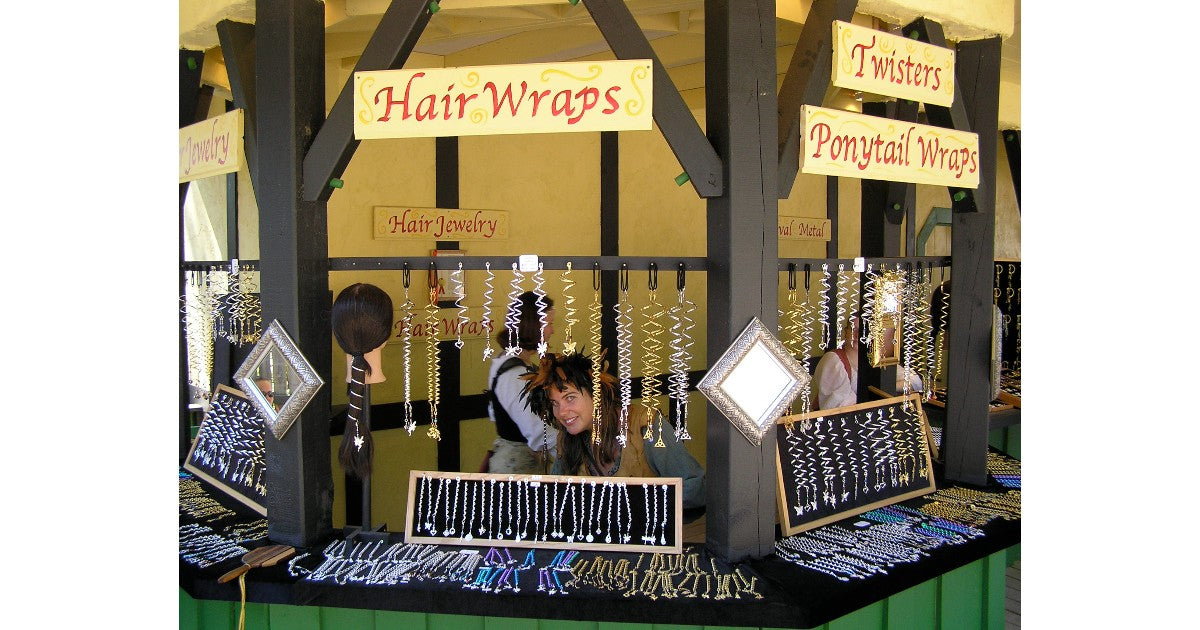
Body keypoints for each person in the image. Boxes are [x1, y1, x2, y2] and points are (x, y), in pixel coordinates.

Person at [523, 351, 705, 510]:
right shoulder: (568, 439)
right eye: (555, 403)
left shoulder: (645, 425)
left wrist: (636, 502)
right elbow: (557, 495)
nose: (561, 412)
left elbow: (696, 487)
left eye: (570, 398)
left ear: (597, 394)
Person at [484, 291, 558, 474]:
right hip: (517, 470)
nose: (552, 330)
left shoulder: (505, 361)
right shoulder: (515, 374)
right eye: (549, 324)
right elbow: (538, 433)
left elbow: (494, 413)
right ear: (534, 327)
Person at [813, 317, 922, 410]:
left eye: (862, 331)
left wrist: (885, 388)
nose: (856, 335)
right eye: (852, 329)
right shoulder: (833, 360)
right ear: (845, 332)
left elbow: (915, 382)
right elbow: (843, 406)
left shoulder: (874, 359)